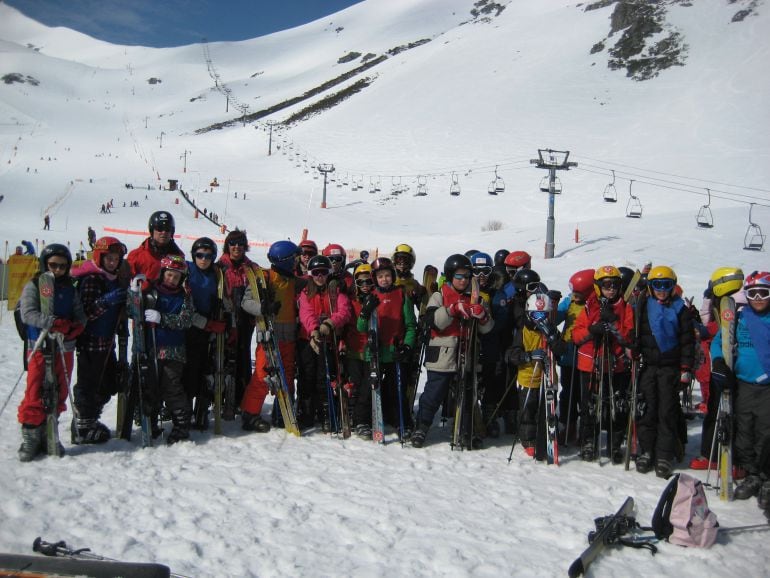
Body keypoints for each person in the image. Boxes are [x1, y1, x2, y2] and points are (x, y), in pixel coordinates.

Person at [412, 254, 493, 448]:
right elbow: (432, 322)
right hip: (443, 354)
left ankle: (466, 430)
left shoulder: (477, 297)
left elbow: (488, 328)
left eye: (466, 276)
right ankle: (421, 426)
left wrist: (482, 316)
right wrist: (451, 310)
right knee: (434, 393)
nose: (463, 280)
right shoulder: (439, 295)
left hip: (467, 353)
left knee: (466, 394)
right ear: (450, 276)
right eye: (458, 276)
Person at [17, 244, 86, 461]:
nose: (58, 270)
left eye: (63, 266)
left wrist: (75, 326)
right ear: (44, 264)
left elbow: (80, 314)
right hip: (40, 344)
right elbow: (28, 313)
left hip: (64, 347)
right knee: (35, 390)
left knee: (59, 390)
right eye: (53, 265)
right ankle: (31, 435)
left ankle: (50, 433)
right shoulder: (35, 285)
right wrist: (53, 323)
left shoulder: (70, 288)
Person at [712, 271, 770, 508]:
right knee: (744, 430)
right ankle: (752, 473)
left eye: (763, 293)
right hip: (743, 383)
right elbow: (719, 341)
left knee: (766, 434)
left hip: (767, 387)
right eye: (752, 293)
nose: (757, 298)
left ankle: (766, 477)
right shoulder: (739, 317)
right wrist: (718, 362)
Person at [633, 265, 694, 478]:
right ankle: (647, 450)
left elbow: (687, 342)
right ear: (650, 287)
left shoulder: (681, 310)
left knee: (666, 412)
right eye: (656, 285)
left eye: (666, 285)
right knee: (647, 410)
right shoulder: (644, 306)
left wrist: (686, 369)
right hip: (649, 367)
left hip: (669, 369)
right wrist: (634, 348)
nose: (661, 289)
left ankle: (663, 455)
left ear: (673, 286)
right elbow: (637, 331)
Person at [572, 266, 635, 464]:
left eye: (615, 285)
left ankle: (615, 444)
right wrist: (593, 330)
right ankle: (588, 442)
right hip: (591, 364)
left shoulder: (625, 308)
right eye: (607, 285)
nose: (611, 289)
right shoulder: (589, 306)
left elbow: (628, 337)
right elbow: (576, 335)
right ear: (599, 287)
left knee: (617, 404)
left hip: (615, 364)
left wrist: (614, 323)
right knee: (589, 405)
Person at [70, 236, 129, 444]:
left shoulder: (113, 279)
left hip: (106, 341)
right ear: (100, 258)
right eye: (109, 259)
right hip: (91, 342)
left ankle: (88, 419)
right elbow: (86, 313)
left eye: (116, 259)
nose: (112, 263)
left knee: (108, 383)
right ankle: (83, 425)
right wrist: (107, 301)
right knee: (89, 383)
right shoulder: (92, 279)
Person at [240, 240, 302, 432]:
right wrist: (263, 308)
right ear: (285, 260)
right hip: (269, 335)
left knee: (288, 375)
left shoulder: (294, 280)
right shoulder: (265, 277)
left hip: (289, 335)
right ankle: (250, 414)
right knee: (262, 374)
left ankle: (282, 412)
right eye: (294, 259)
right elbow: (246, 302)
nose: (297, 263)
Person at [134, 255, 194, 444]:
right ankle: (149, 419)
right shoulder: (151, 292)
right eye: (169, 275)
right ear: (162, 274)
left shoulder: (184, 297)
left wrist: (163, 318)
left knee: (171, 386)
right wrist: (134, 293)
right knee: (150, 384)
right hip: (151, 347)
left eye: (176, 277)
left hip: (173, 349)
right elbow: (133, 312)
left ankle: (181, 424)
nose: (172, 280)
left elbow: (186, 320)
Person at [357, 257, 417, 437]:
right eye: (381, 276)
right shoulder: (371, 296)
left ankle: (402, 422)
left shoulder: (401, 295)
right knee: (369, 388)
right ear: (375, 278)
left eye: (387, 275)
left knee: (397, 388)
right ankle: (362, 421)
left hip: (395, 352)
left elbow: (410, 326)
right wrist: (365, 311)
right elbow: (361, 327)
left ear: (393, 276)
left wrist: (407, 346)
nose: (384, 279)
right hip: (374, 352)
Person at [296, 255, 353, 430]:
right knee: (307, 376)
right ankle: (306, 413)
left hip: (328, 340)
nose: (320, 277)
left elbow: (345, 311)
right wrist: (313, 329)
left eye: (323, 273)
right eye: (316, 273)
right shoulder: (306, 292)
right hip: (308, 340)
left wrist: (330, 323)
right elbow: (305, 313)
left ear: (329, 273)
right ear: (310, 274)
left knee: (324, 377)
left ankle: (325, 413)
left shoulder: (335, 292)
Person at [183, 237, 226, 430]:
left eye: (208, 256)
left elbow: (223, 297)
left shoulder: (215, 274)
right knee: (187, 372)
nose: (204, 259)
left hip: (206, 328)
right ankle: (183, 411)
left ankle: (200, 410)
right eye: (200, 255)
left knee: (204, 370)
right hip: (187, 328)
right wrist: (208, 324)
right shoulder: (187, 270)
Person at [217, 229, 259, 420]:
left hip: (245, 319)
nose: (237, 248)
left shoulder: (251, 268)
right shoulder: (220, 267)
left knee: (243, 357)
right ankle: (223, 398)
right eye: (233, 244)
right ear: (227, 245)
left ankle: (241, 398)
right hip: (225, 318)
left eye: (241, 244)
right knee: (223, 357)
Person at [555, 268, 595, 445]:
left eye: (578, 293)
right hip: (568, 355)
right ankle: (568, 426)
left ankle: (585, 430)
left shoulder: (592, 305)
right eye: (573, 292)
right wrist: (553, 308)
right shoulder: (569, 302)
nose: (574, 295)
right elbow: (556, 318)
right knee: (567, 394)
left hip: (586, 356)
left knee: (584, 396)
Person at [347, 264, 375, 437]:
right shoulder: (352, 301)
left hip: (371, 350)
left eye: (368, 281)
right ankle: (356, 418)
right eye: (361, 281)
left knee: (367, 386)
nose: (365, 284)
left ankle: (362, 419)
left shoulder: (377, 299)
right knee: (356, 385)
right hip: (354, 349)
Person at [127, 211, 184, 287]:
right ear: (152, 230)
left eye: (167, 229)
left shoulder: (178, 256)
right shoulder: (136, 256)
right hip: (141, 297)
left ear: (172, 232)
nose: (163, 232)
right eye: (159, 228)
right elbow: (126, 282)